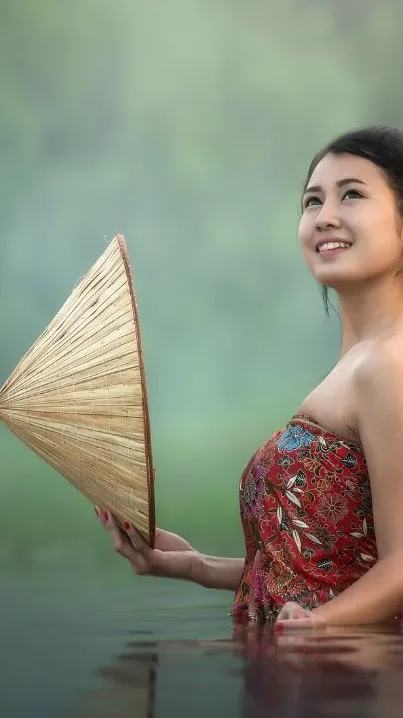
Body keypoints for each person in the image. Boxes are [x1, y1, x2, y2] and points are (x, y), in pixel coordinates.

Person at [95, 126, 403, 629]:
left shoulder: (387, 366)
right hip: (302, 673)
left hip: (355, 678)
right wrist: (193, 565)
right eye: (311, 201)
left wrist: (320, 627)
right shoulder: (358, 367)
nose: (325, 217)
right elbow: (321, 569)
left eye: (352, 194)